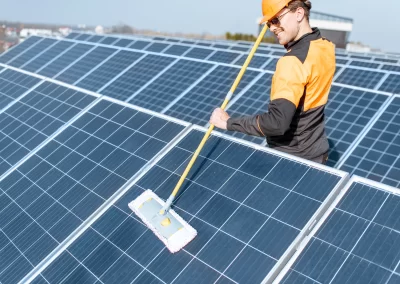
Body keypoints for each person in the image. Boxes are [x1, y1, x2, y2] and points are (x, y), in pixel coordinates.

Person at [210, 0, 335, 165]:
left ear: (299, 14)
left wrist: (228, 122)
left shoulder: (292, 62)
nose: (272, 28)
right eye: (269, 23)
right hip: (318, 154)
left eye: (276, 20)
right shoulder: (325, 47)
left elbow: (277, 123)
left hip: (291, 160)